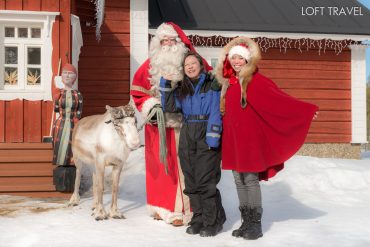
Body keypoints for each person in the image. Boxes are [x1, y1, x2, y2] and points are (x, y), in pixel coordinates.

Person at [215, 37, 319, 240]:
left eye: (240, 58)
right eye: (233, 58)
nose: (236, 61)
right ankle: (246, 222)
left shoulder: (254, 79)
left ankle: (255, 224)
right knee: (238, 179)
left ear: (247, 60)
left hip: (250, 140)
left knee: (250, 179)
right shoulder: (229, 84)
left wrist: (305, 111)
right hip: (234, 139)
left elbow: (278, 100)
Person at [130, 22, 212, 226]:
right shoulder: (149, 66)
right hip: (158, 126)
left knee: (184, 166)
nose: (167, 44)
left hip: (187, 124)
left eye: (171, 40)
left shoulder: (191, 63)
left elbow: (209, 84)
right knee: (161, 167)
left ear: (179, 42)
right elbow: (138, 92)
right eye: (163, 40)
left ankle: (184, 209)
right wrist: (151, 107)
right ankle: (162, 207)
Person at [160, 52, 226, 237]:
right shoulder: (183, 87)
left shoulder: (211, 83)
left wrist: (213, 137)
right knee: (191, 179)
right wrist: (165, 84)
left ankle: (212, 221)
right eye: (186, 64)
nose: (190, 66)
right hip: (188, 132)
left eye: (193, 63)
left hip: (206, 131)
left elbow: (215, 110)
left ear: (200, 64)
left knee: (206, 180)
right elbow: (170, 107)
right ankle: (198, 218)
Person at [52, 63, 83, 166]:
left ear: (74, 77)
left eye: (70, 73)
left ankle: (71, 162)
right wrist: (55, 98)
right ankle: (60, 161)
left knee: (71, 143)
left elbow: (79, 110)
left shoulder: (77, 94)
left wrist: (77, 119)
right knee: (60, 141)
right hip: (61, 122)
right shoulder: (59, 93)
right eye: (65, 73)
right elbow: (56, 109)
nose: (67, 76)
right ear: (61, 76)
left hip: (73, 122)